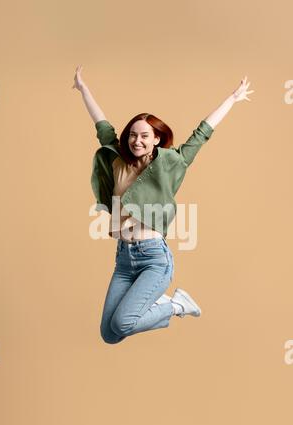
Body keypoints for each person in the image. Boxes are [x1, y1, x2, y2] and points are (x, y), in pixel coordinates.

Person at [72, 66, 254, 344]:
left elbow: (201, 134)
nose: (137, 141)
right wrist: (84, 89)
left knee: (123, 321)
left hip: (153, 259)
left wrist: (232, 98)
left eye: (145, 136)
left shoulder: (170, 165)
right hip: (123, 259)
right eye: (133, 135)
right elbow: (102, 125)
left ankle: (177, 305)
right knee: (109, 333)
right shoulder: (118, 161)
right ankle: (167, 305)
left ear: (156, 139)